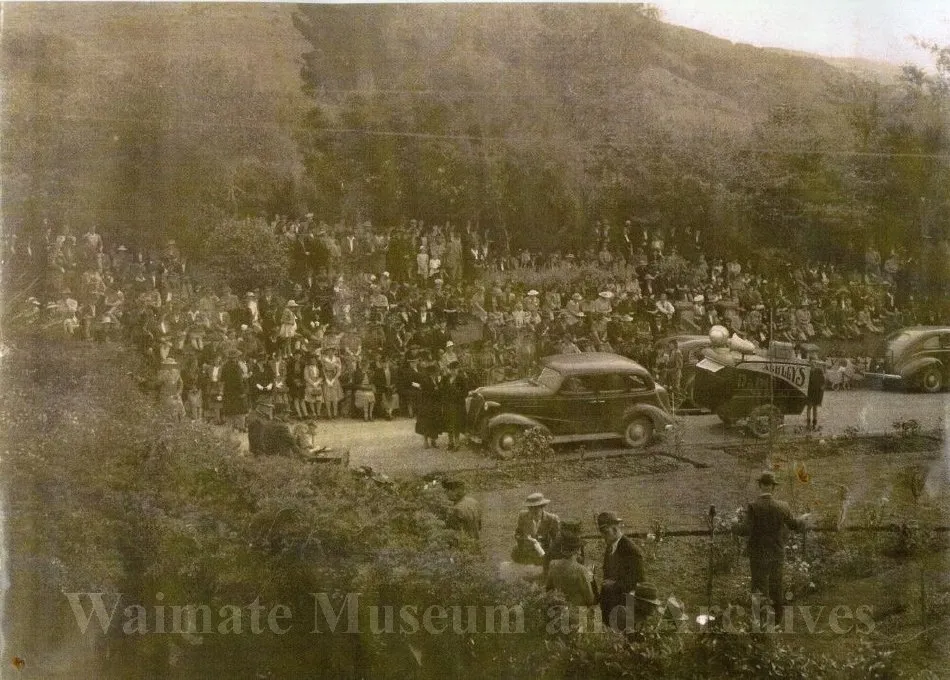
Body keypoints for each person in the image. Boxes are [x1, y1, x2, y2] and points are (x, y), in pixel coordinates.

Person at [734, 471, 812, 614]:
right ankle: (777, 620)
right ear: (773, 487)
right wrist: (803, 518)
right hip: (777, 552)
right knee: (776, 585)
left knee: (758, 586)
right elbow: (794, 525)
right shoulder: (783, 506)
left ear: (760, 485)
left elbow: (744, 530)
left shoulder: (753, 506)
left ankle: (759, 619)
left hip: (758, 554)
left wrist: (733, 523)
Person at [597, 511, 645, 631]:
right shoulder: (611, 546)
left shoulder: (631, 550)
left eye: (605, 532)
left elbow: (639, 582)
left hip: (625, 608)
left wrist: (613, 585)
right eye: (601, 532)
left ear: (615, 529)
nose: (603, 536)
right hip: (611, 606)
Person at [545, 533, 597, 607]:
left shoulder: (553, 564)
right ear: (578, 551)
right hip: (576, 611)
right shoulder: (581, 570)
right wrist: (591, 579)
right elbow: (590, 599)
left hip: (559, 609)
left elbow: (549, 589)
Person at [512, 493, 560, 566]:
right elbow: (518, 534)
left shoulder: (552, 519)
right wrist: (525, 540)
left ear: (542, 507)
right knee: (514, 553)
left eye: (536, 508)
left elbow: (556, 540)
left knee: (545, 561)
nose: (533, 510)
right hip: (527, 549)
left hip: (543, 551)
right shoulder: (523, 516)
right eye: (530, 508)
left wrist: (541, 546)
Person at [440, 360, 468, 451]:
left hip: (457, 405)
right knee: (449, 423)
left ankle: (457, 443)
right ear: (449, 370)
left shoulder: (461, 379)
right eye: (451, 369)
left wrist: (457, 394)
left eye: (455, 369)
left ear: (458, 369)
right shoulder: (445, 378)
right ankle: (450, 442)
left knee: (456, 423)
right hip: (448, 404)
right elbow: (442, 390)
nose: (453, 371)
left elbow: (465, 392)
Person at [805, 353, 826, 430]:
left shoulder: (819, 370)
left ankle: (814, 422)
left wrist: (821, 388)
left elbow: (823, 381)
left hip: (816, 391)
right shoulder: (807, 371)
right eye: (812, 361)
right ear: (809, 362)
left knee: (815, 407)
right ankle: (808, 422)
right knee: (809, 407)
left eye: (815, 361)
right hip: (809, 391)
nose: (813, 363)